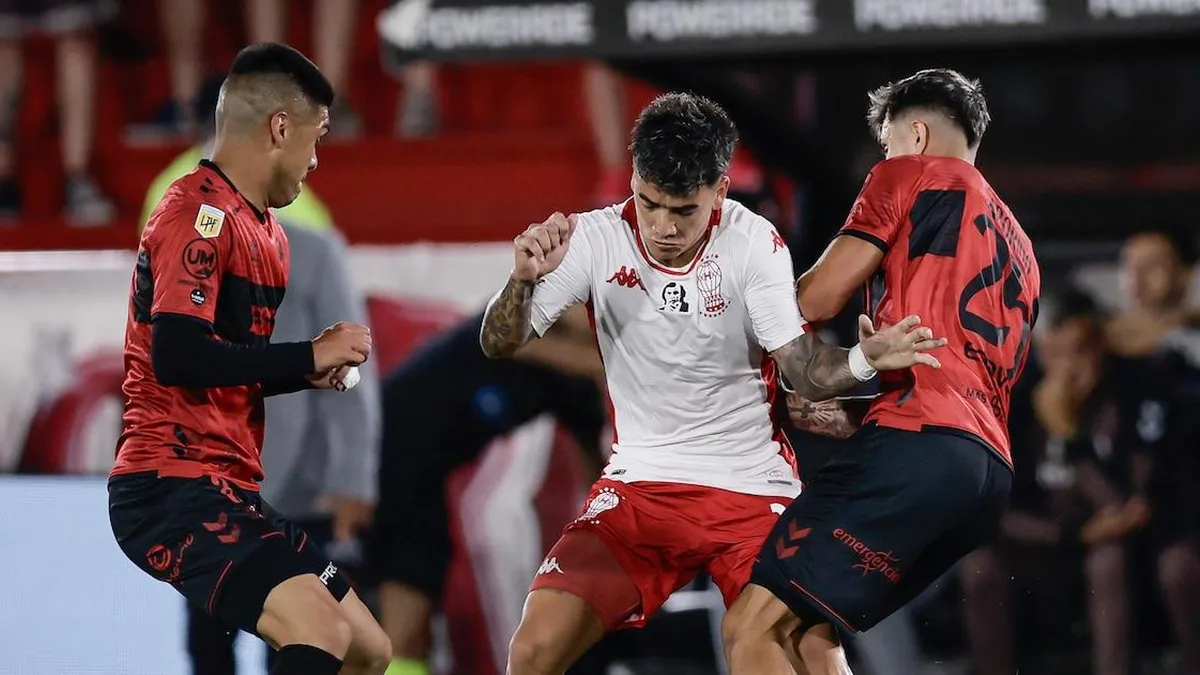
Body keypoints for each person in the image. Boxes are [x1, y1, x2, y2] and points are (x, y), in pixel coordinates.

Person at [477, 91, 945, 675]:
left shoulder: (753, 244)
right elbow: (498, 342)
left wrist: (861, 360)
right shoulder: (593, 238)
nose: (663, 227)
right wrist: (521, 281)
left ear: (720, 191)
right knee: (531, 653)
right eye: (649, 204)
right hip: (639, 491)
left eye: (684, 211)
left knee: (793, 655)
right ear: (633, 179)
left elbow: (804, 372)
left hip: (750, 493)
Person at [722, 68, 1042, 675]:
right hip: (982, 476)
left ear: (914, 135)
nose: (885, 157)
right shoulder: (1020, 246)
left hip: (918, 449)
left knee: (750, 625)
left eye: (888, 145)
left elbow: (814, 303)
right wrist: (847, 405)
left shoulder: (908, 174)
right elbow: (962, 382)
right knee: (809, 632)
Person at [107, 43, 390, 675]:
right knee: (315, 628)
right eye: (315, 140)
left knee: (369, 649)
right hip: (170, 487)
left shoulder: (266, 231)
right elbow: (177, 357)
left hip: (230, 489)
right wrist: (306, 352)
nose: (316, 161)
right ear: (279, 128)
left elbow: (223, 367)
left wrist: (302, 371)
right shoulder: (198, 214)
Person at [373, 307, 607, 675]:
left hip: (428, 472)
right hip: (390, 450)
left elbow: (597, 474)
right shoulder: (514, 318)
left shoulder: (574, 387)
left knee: (417, 618)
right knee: (405, 612)